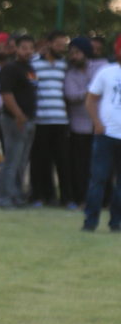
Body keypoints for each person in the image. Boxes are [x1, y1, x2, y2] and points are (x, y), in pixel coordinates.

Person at [30, 29, 72, 207]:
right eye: (58, 44)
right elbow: (31, 87)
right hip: (40, 119)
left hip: (60, 120)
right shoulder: (34, 64)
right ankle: (38, 197)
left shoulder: (64, 65)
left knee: (63, 160)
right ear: (48, 44)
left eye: (63, 44)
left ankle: (66, 199)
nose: (61, 47)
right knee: (39, 160)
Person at [65, 37, 108, 208]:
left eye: (77, 53)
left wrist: (87, 92)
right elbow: (71, 95)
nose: (74, 56)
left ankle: (105, 200)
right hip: (79, 127)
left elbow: (108, 88)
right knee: (80, 166)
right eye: (71, 54)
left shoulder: (102, 66)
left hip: (102, 125)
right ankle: (82, 199)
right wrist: (93, 90)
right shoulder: (70, 74)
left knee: (103, 165)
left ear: (85, 52)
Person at [0, 34, 38, 208]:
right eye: (24, 48)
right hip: (14, 120)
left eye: (31, 48)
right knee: (12, 161)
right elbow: (6, 94)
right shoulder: (10, 68)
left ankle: (17, 196)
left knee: (22, 162)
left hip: (30, 119)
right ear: (16, 49)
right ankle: (3, 197)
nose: (28, 51)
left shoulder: (29, 68)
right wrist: (18, 114)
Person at [81, 58, 121, 232]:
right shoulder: (106, 72)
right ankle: (90, 221)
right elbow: (90, 99)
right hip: (106, 134)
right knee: (98, 179)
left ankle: (116, 222)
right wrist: (97, 123)